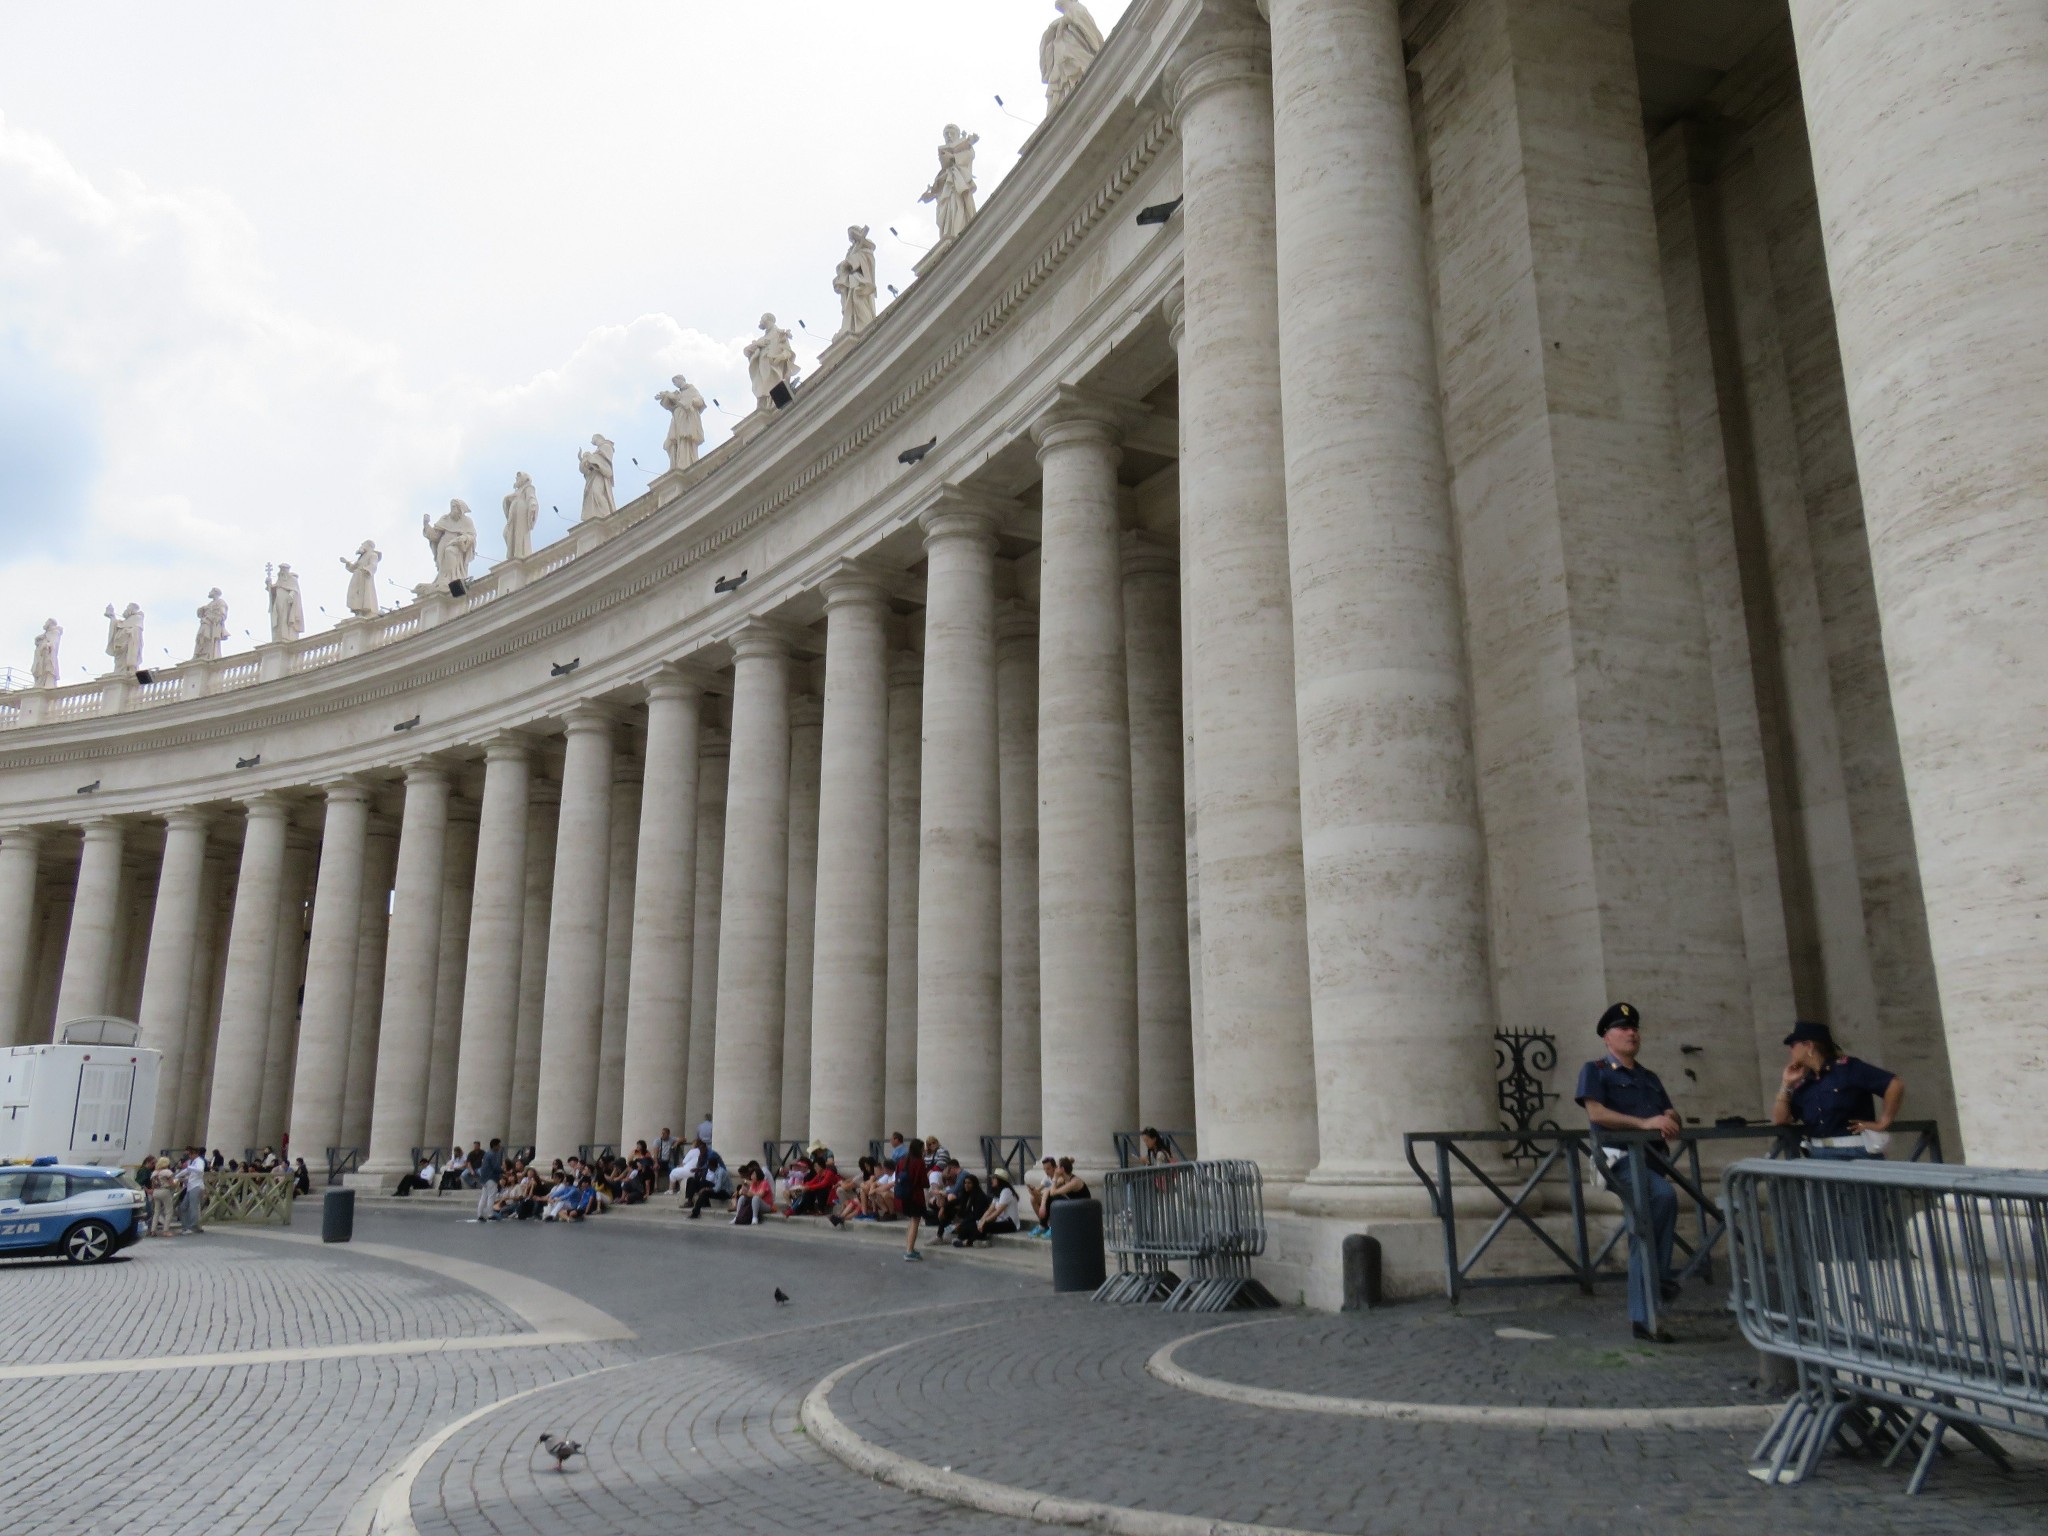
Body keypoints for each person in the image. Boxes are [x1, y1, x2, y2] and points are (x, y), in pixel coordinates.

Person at [1575, 1001, 1682, 1343]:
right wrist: (1645, 1123)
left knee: (1645, 1227)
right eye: (1623, 1029)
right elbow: (1597, 1114)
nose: (1631, 1033)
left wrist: (1671, 1120)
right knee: (1661, 1199)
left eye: (1634, 1028)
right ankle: (1657, 1286)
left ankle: (1648, 1305)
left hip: (1652, 1160)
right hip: (1619, 1158)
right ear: (1607, 1037)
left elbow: (1668, 1109)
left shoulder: (1648, 1077)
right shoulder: (1595, 1070)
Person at [1770, 1021, 1903, 1159]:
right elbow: (1781, 1119)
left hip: (1854, 1152)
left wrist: (1884, 1122)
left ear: (1809, 1045)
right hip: (1817, 1154)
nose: (1790, 1050)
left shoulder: (1848, 1069)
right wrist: (1786, 1083)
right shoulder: (1805, 1082)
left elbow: (1894, 1084)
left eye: (1793, 1045)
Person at [963, 1171, 1024, 1245]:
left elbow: (998, 1211)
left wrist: (985, 1221)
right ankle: (964, 1239)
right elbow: (990, 1210)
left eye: (994, 1178)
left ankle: (968, 1242)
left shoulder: (1006, 1191)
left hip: (1010, 1223)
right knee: (973, 1224)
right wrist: (981, 1220)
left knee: (985, 1226)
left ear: (999, 1180)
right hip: (1000, 1221)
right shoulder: (998, 1192)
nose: (992, 1180)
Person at [896, 1138, 928, 1260]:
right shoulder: (919, 1162)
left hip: (904, 1196)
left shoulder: (902, 1161)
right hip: (915, 1196)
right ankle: (909, 1251)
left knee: (911, 1221)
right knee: (915, 1221)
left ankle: (908, 1247)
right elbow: (924, 1182)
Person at [147, 1156, 179, 1236]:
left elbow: (153, 1185)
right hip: (165, 1191)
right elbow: (172, 1184)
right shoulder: (167, 1172)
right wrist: (176, 1183)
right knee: (169, 1211)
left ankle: (153, 1230)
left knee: (156, 1211)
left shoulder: (154, 1173)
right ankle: (165, 1230)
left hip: (156, 1192)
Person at [474, 1138, 504, 1222]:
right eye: (498, 1145)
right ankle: (490, 1214)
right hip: (491, 1177)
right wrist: (503, 1171)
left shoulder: (487, 1153)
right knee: (491, 1196)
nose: (499, 1147)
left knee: (484, 1197)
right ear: (494, 1145)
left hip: (484, 1178)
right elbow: (495, 1167)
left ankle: (480, 1214)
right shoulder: (493, 1154)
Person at [178, 1148, 207, 1234]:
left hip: (196, 1186)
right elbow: (186, 1170)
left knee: (193, 1207)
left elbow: (200, 1170)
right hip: (191, 1186)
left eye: (190, 1154)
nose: (189, 1156)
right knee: (183, 1206)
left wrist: (189, 1167)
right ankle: (186, 1226)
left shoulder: (199, 1161)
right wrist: (176, 1176)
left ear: (194, 1154)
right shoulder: (192, 1162)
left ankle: (193, 1226)